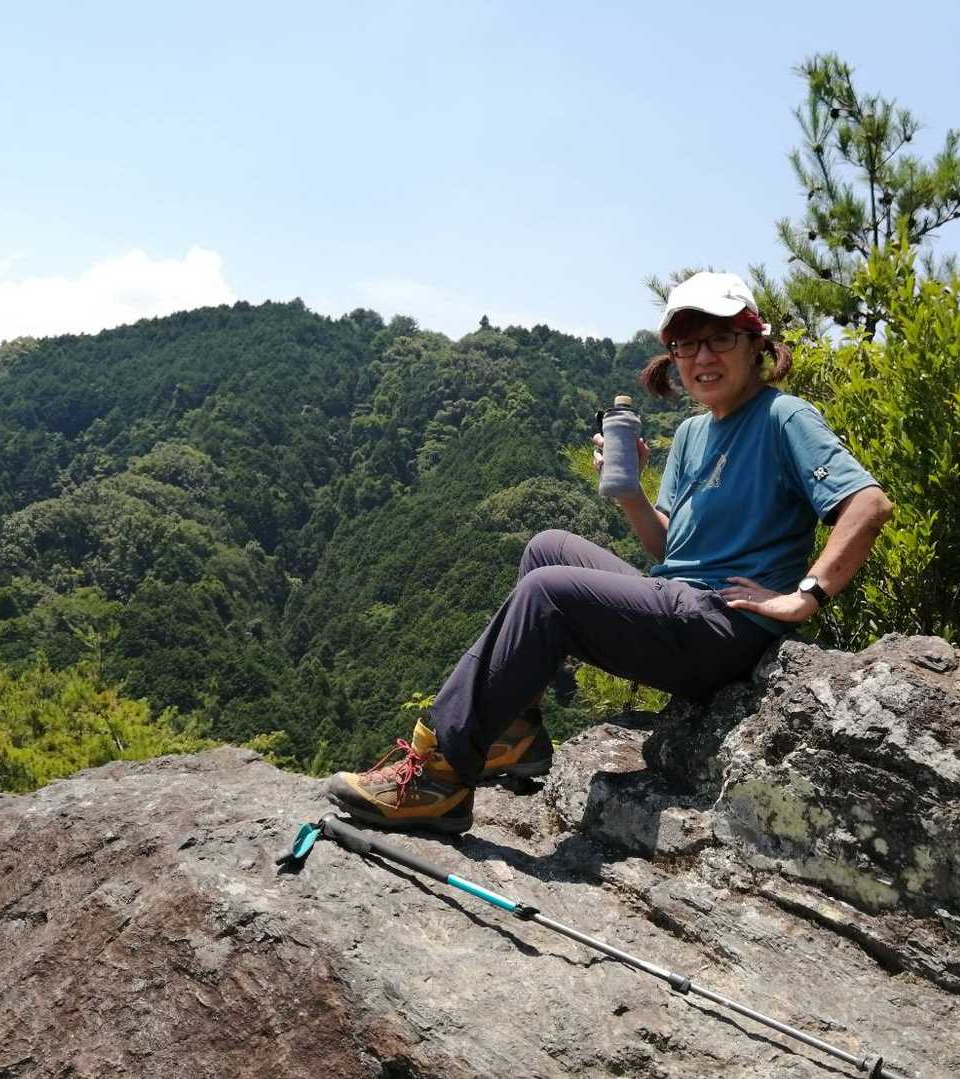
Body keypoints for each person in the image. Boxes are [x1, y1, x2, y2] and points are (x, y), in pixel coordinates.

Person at [327, 271, 893, 832]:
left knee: (549, 593)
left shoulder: (782, 417)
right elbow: (669, 545)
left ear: (754, 345)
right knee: (547, 550)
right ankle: (512, 733)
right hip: (680, 604)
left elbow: (867, 504)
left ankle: (440, 774)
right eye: (686, 345)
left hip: (725, 627)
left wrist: (805, 596)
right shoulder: (693, 433)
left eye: (721, 338)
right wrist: (630, 493)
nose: (702, 357)